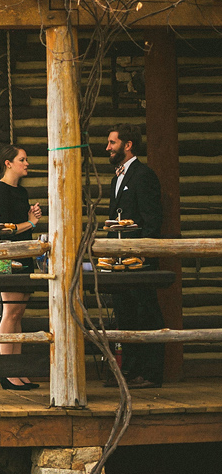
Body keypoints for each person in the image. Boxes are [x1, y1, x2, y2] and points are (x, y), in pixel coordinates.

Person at [105, 123, 164, 389]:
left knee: (146, 314)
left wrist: (143, 255)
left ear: (128, 145)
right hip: (119, 261)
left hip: (139, 261)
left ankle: (150, 373)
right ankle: (128, 371)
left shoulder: (144, 175)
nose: (108, 148)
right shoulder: (116, 178)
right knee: (124, 315)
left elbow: (152, 219)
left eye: (112, 143)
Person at [0, 144, 41, 390]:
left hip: (25, 252)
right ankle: (6, 372)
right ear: (8, 163)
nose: (27, 163)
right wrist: (29, 223)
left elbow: (23, 223)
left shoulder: (22, 192)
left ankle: (17, 370)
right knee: (9, 311)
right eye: (23, 159)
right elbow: (1, 229)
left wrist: (32, 217)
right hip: (5, 256)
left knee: (19, 313)